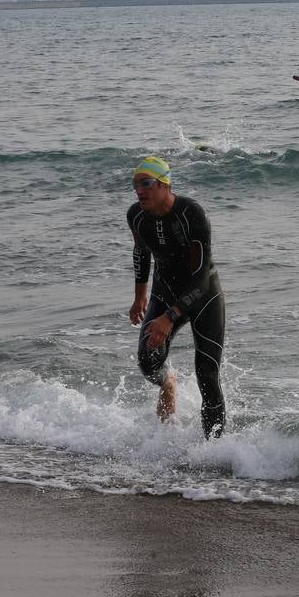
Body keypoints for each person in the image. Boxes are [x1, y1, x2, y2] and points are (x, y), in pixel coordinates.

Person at [126, 156, 226, 438]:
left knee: (207, 375)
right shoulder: (136, 215)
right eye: (135, 184)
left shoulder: (191, 213)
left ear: (164, 184)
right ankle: (169, 383)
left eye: (146, 183)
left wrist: (170, 317)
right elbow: (141, 252)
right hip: (164, 292)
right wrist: (139, 297)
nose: (139, 190)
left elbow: (201, 275)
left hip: (204, 294)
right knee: (148, 361)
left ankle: (214, 450)